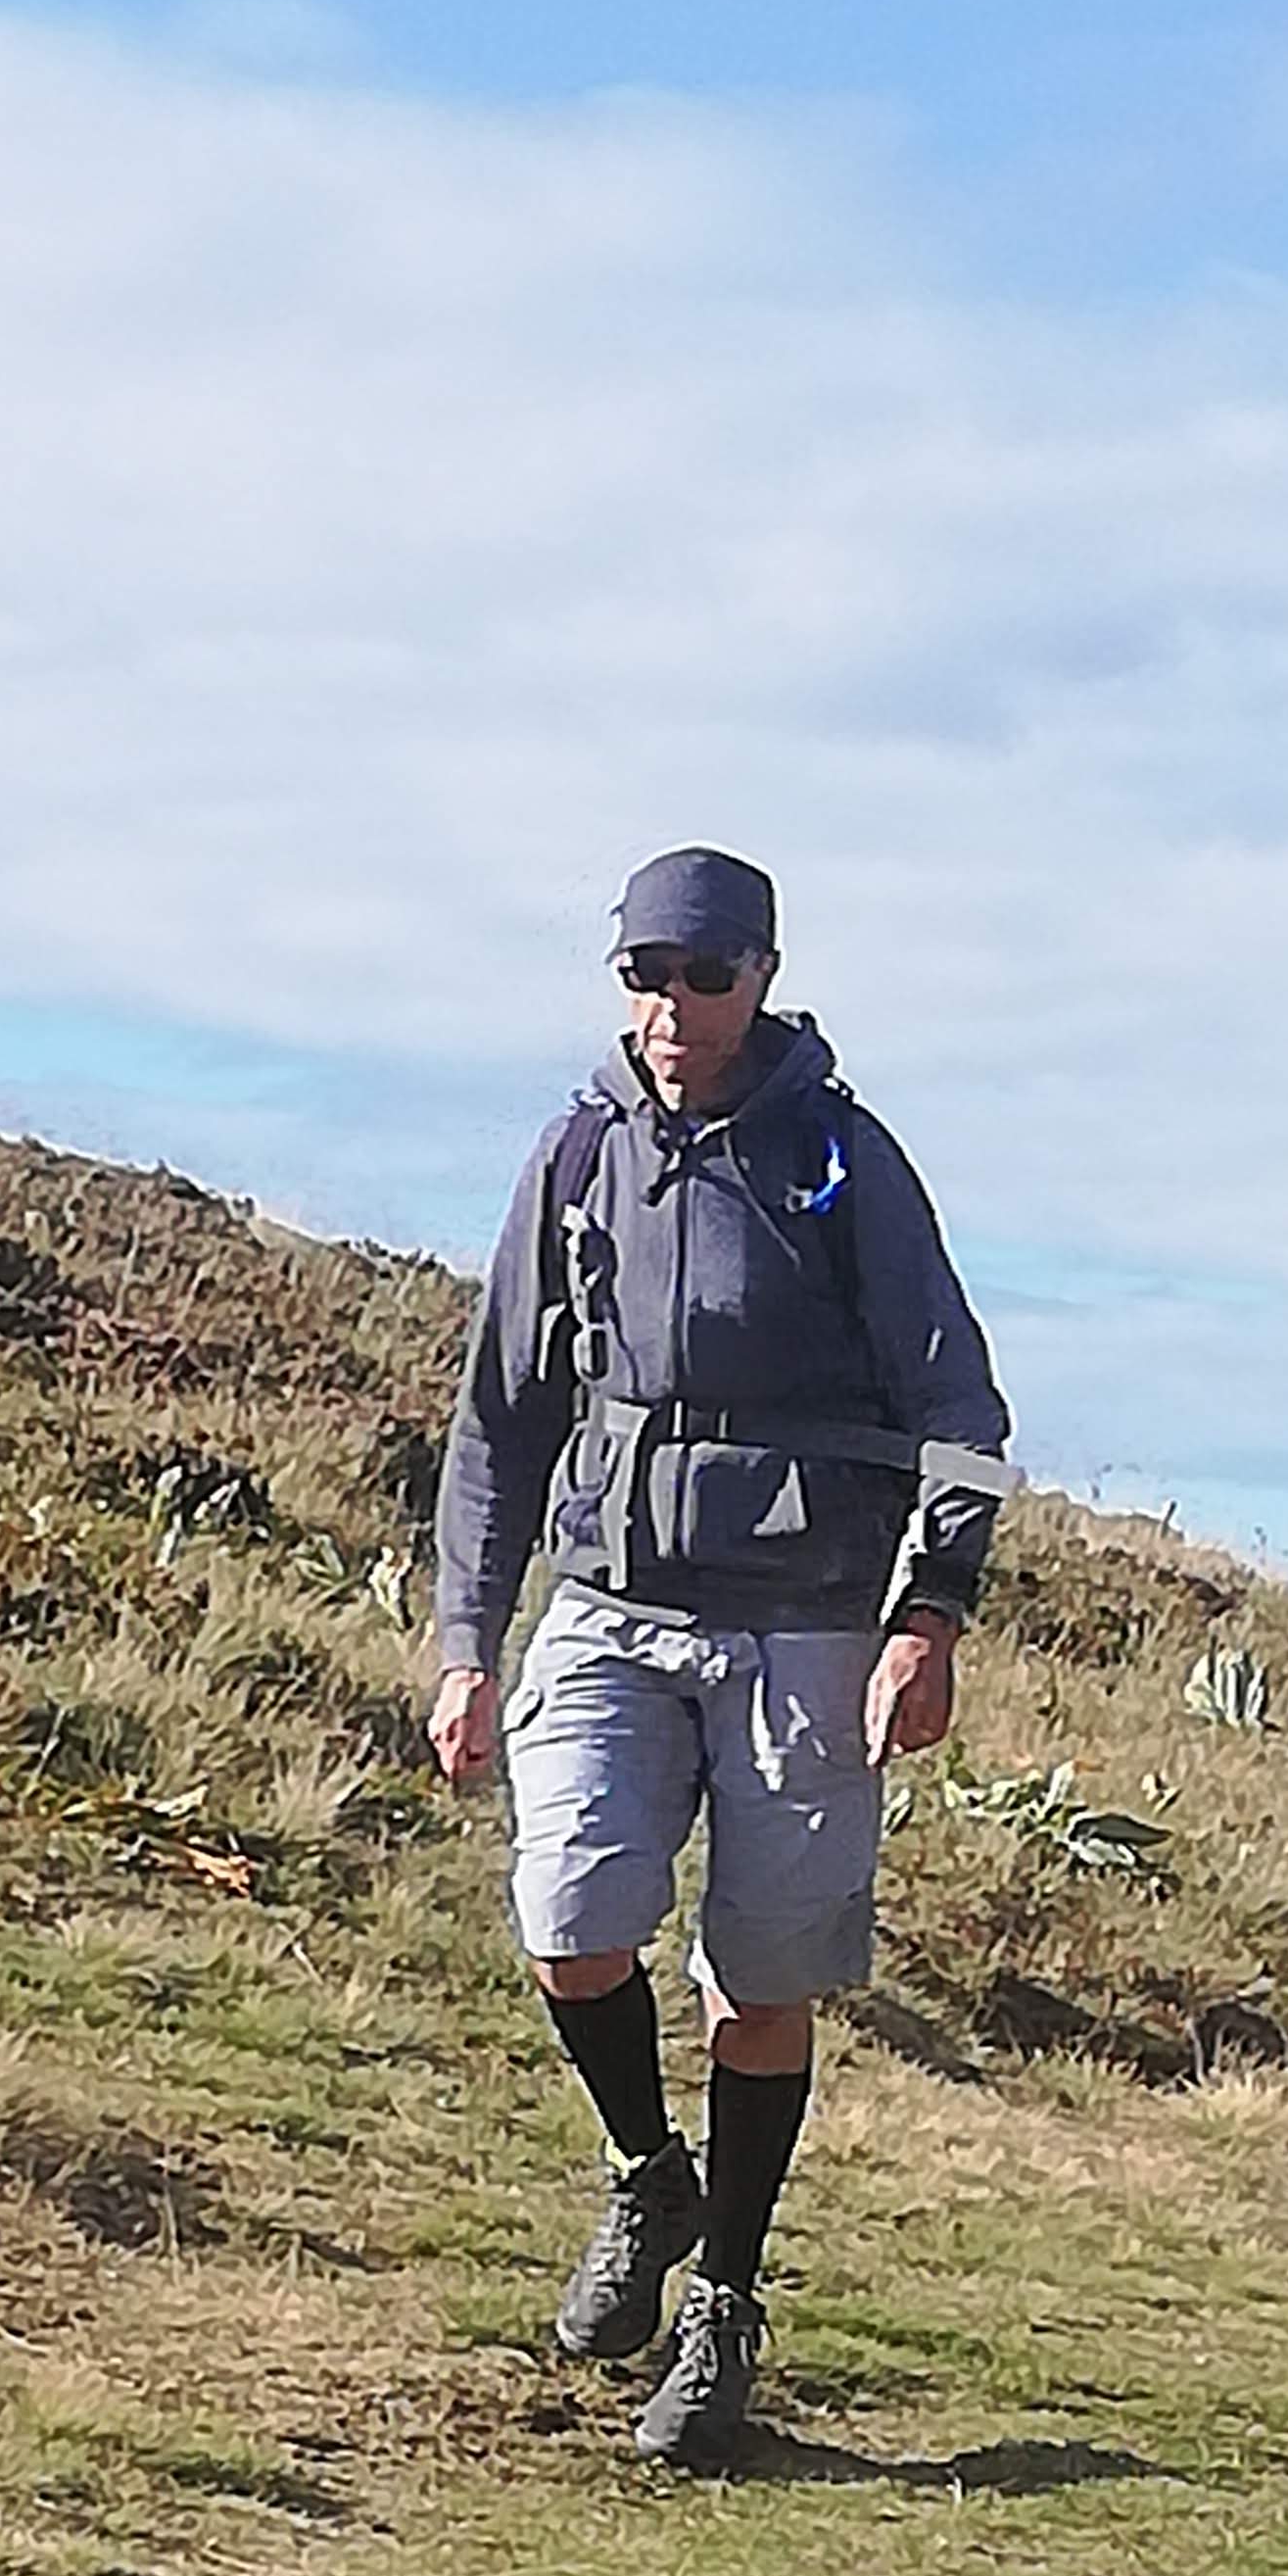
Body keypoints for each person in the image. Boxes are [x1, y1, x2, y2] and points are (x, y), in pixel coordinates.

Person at [427, 848, 1016, 2470]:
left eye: (706, 974)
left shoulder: (842, 1162)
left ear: (761, 977)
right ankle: (646, 2176)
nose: (673, 1005)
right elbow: (499, 1420)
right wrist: (467, 1644)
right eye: (647, 974)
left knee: (762, 1988)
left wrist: (928, 1618)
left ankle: (727, 2303)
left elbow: (960, 1411)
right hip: (608, 1605)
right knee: (569, 1919)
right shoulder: (577, 1160)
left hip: (804, 1628)